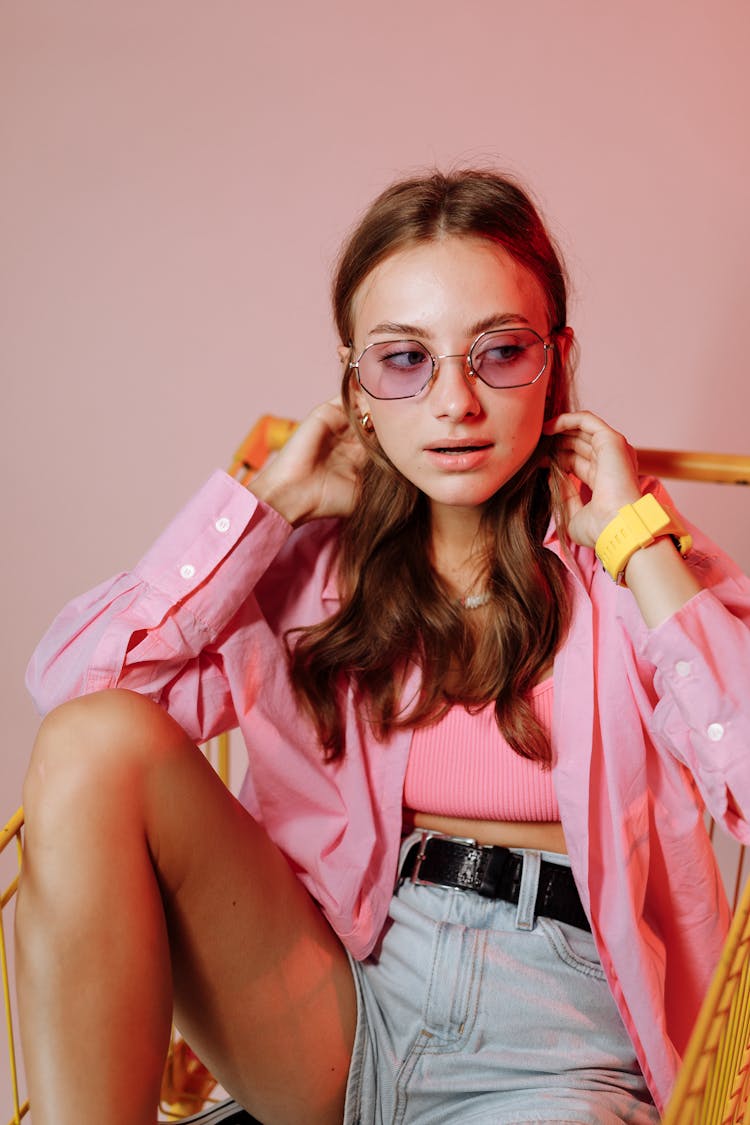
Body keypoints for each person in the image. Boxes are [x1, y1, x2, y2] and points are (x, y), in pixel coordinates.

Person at [17, 168, 750, 1125]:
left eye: (498, 352)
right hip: (341, 1000)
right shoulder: (308, 566)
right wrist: (267, 511)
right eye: (406, 360)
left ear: (554, 360)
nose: (455, 402)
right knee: (94, 741)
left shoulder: (629, 559)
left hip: (556, 1047)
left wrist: (636, 542)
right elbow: (77, 699)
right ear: (357, 385)